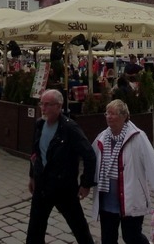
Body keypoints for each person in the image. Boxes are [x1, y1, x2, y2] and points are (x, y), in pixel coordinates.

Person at [92, 99, 154, 244]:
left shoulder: (138, 137)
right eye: (107, 113)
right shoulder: (102, 137)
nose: (109, 117)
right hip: (107, 200)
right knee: (108, 239)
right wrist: (86, 183)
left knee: (132, 237)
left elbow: (152, 164)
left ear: (124, 116)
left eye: (113, 113)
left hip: (131, 199)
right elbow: (92, 161)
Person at [27, 89, 96, 244]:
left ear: (59, 106)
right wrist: (32, 176)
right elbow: (35, 153)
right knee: (35, 229)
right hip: (42, 185)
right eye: (41, 104)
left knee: (79, 227)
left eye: (47, 105)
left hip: (63, 188)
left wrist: (85, 184)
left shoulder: (70, 128)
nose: (43, 108)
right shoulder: (40, 124)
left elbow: (89, 155)